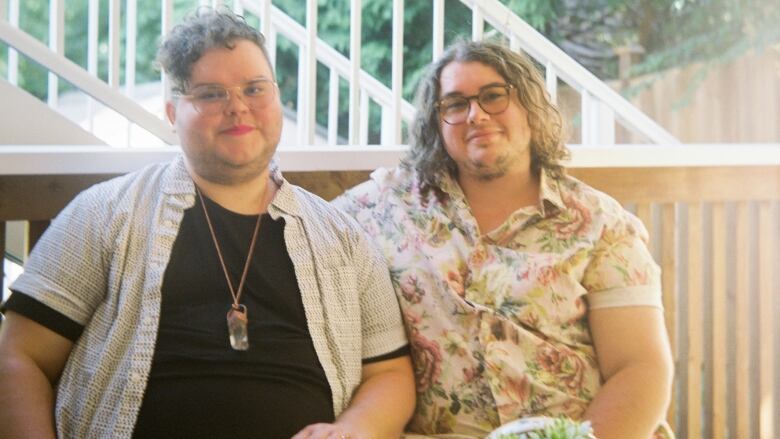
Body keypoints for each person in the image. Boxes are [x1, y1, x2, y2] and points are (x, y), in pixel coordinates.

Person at [0, 8, 414, 439]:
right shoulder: (105, 213)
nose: (238, 107)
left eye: (254, 88)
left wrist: (353, 430)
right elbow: (19, 358)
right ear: (172, 112)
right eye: (211, 94)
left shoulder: (342, 239)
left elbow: (388, 371)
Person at [334, 40, 674, 439]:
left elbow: (640, 367)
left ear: (529, 108)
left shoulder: (600, 224)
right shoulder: (385, 208)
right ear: (437, 123)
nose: (475, 114)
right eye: (455, 104)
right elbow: (302, 229)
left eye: (494, 96)